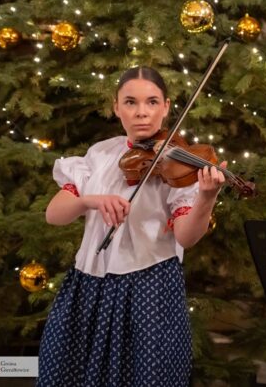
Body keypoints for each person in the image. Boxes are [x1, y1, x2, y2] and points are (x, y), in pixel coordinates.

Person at [36, 66, 226, 386]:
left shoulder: (179, 165)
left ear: (166, 107)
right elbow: (54, 214)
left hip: (149, 287)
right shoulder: (100, 154)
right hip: (88, 285)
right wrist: (90, 200)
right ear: (116, 108)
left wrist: (206, 197)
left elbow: (186, 237)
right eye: (130, 102)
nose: (141, 112)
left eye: (152, 102)